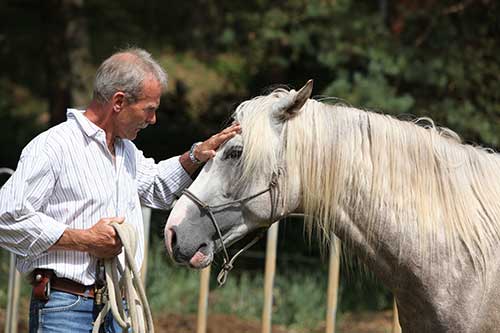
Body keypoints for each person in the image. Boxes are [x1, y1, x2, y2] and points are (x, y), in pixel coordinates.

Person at [0, 48, 240, 332]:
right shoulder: (53, 146)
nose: (153, 120)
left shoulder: (126, 152)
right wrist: (85, 240)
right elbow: (7, 217)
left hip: (119, 308)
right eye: (149, 109)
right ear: (118, 102)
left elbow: (157, 186)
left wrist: (197, 155)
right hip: (65, 308)